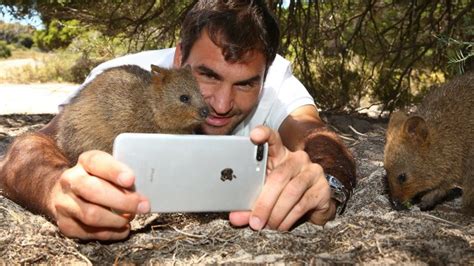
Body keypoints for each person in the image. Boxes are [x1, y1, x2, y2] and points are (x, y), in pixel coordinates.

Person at [0, 0, 356, 240]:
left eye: (245, 83)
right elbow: (30, 148)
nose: (220, 104)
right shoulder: (124, 78)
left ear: (264, 74)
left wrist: (325, 184)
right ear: (179, 56)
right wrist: (53, 188)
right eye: (209, 75)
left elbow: (319, 137)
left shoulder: (274, 83)